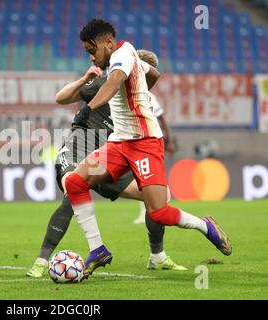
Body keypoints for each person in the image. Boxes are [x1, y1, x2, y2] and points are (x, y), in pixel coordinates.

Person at [64, 19, 231, 278]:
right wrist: (139, 94)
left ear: (108, 42)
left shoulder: (122, 55)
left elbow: (113, 82)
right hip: (119, 144)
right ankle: (98, 250)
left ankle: (205, 226)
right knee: (74, 181)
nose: (91, 57)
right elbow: (155, 74)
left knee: (160, 212)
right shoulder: (127, 58)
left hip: (145, 144)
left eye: (92, 50)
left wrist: (87, 109)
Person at [26, 51, 186, 278]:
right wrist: (84, 80)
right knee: (72, 193)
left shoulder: (144, 102)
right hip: (79, 151)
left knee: (160, 195)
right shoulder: (106, 84)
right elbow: (61, 98)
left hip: (109, 159)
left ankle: (157, 257)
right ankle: (41, 261)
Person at [132, 50, 176, 224]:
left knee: (147, 178)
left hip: (149, 141)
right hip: (133, 140)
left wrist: (169, 141)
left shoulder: (148, 96)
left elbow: (162, 118)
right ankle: (150, 208)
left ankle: (158, 204)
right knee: (141, 178)